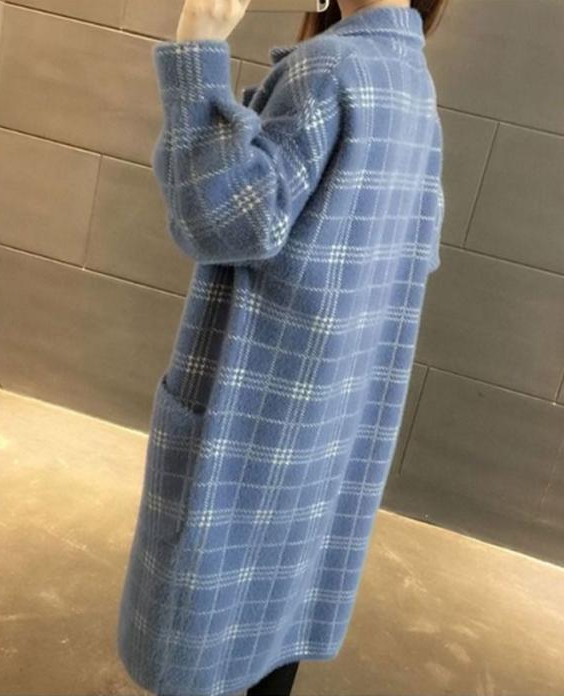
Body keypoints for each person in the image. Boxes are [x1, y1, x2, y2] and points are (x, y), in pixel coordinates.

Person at [117, 1, 448, 695]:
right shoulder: (409, 78)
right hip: (329, 416)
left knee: (205, 624)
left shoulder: (329, 69)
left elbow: (223, 221)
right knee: (273, 621)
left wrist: (196, 46)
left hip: (252, 413)